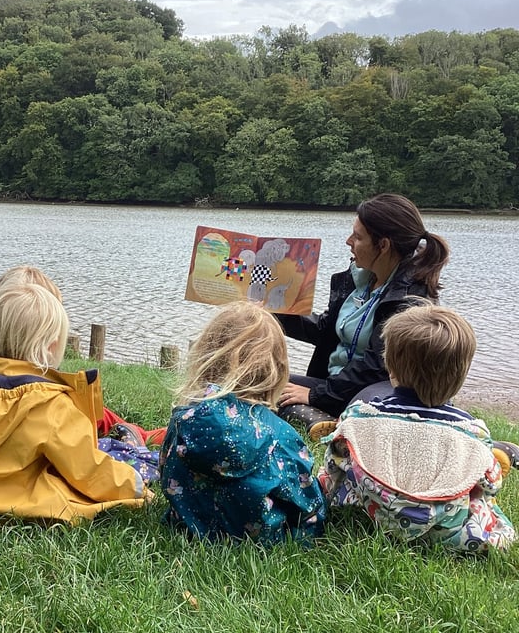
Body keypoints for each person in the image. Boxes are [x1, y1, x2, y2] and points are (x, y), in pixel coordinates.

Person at [0, 278, 149, 522]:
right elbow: (86, 469)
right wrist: (136, 486)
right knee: (127, 460)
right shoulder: (48, 404)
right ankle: (137, 453)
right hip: (24, 502)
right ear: (51, 345)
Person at [318, 305, 516, 553]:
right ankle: (501, 455)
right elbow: (489, 483)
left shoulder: (359, 417)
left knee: (340, 461)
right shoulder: (472, 432)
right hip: (445, 531)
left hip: (370, 516)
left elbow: (334, 464)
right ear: (461, 376)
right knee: (481, 491)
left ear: (390, 367)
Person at [274, 193, 450, 429]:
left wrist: (317, 395)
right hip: (338, 383)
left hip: (379, 389)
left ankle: (334, 422)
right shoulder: (359, 278)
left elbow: (376, 367)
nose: (348, 241)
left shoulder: (410, 301)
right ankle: (326, 421)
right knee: (265, 383)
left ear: (384, 245)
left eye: (357, 237)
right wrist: (274, 309)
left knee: (365, 404)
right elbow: (327, 331)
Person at [160, 301, 326, 546]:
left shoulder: (182, 419)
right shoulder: (281, 435)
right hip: (262, 541)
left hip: (187, 528)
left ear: (208, 356)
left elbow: (165, 471)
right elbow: (307, 505)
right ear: (277, 368)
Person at [0, 265, 167, 447]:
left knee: (110, 420)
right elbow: (83, 464)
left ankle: (148, 434)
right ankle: (163, 435)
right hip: (74, 446)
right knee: (118, 427)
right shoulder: (48, 402)